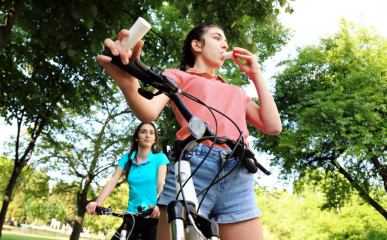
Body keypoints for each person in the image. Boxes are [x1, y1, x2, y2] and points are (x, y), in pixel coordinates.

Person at [96, 23, 282, 240]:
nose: (224, 44)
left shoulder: (236, 91)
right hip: (192, 166)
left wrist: (256, 73)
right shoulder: (177, 77)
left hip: (237, 170)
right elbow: (148, 111)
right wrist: (128, 83)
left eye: (226, 42)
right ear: (197, 45)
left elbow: (272, 126)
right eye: (217, 37)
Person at [86, 122, 170, 240]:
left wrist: (159, 206)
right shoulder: (126, 158)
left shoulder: (160, 158)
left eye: (151, 133)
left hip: (153, 216)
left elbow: (161, 184)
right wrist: (97, 202)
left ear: (155, 139)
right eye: (143, 132)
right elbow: (113, 181)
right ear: (136, 137)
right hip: (131, 216)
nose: (147, 135)